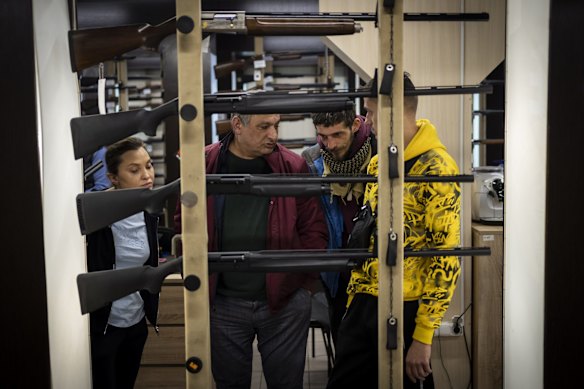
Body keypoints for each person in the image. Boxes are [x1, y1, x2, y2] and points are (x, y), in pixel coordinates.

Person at [327, 73, 461, 389]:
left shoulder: (437, 167)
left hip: (407, 307)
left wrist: (424, 337)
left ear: (394, 110)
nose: (367, 120)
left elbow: (446, 260)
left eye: (372, 112)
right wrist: (352, 307)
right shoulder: (378, 164)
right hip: (363, 305)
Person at [174, 113, 328, 389]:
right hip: (221, 304)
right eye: (264, 127)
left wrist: (303, 287)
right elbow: (182, 223)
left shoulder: (293, 165)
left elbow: (313, 230)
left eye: (276, 126)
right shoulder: (201, 163)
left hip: (284, 304)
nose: (274, 135)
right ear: (237, 125)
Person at [86, 137, 160, 389]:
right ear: (113, 178)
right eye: (134, 170)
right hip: (105, 327)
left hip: (136, 323)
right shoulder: (96, 216)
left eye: (148, 166)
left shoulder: (150, 212)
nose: (147, 175)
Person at [302, 109, 375, 344]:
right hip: (337, 271)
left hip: (377, 267)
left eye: (337, 135)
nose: (330, 144)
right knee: (344, 345)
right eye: (323, 136)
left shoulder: (381, 151)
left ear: (355, 125)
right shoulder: (312, 160)